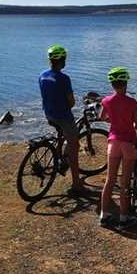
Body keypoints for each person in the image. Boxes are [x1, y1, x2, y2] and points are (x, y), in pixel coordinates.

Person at [38, 44, 85, 195]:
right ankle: (76, 183)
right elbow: (71, 102)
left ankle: (59, 157)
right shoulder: (64, 78)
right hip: (63, 116)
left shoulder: (42, 75)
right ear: (62, 60)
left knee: (62, 134)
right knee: (74, 145)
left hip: (49, 114)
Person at [99, 66, 137, 228]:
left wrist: (114, 122)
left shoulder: (107, 101)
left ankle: (104, 215)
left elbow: (102, 117)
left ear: (112, 85)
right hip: (128, 143)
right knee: (125, 182)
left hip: (113, 142)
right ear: (126, 83)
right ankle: (124, 218)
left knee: (110, 180)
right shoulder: (132, 103)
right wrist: (129, 123)